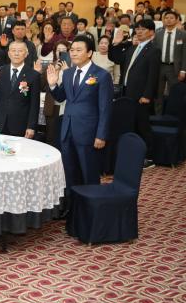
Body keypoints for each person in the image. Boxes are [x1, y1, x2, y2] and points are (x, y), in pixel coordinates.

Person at [47, 35, 114, 190]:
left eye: (78, 50)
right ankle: (73, 209)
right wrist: (52, 85)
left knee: (88, 173)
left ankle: (91, 210)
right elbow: (61, 96)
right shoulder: (69, 73)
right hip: (68, 129)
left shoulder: (101, 75)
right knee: (69, 173)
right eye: (72, 50)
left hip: (88, 133)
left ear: (89, 53)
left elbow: (105, 108)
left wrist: (101, 135)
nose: (74, 53)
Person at [109, 19, 161, 164]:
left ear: (151, 32)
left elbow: (153, 75)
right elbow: (116, 58)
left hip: (141, 95)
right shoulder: (132, 47)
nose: (139, 31)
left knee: (142, 125)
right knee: (129, 124)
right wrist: (116, 43)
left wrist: (147, 95)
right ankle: (133, 154)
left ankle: (149, 157)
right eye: (137, 29)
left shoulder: (154, 50)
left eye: (143, 29)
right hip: (126, 92)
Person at [0, 41, 40, 137]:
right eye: (13, 50)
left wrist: (31, 126)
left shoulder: (33, 75)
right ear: (8, 53)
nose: (16, 53)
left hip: (20, 125)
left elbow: (34, 104)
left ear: (26, 54)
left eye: (20, 51)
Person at [153, 10, 186, 114]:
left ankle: (172, 116)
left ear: (177, 20)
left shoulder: (183, 35)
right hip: (159, 67)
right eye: (166, 18)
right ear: (163, 20)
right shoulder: (158, 34)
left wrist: (183, 70)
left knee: (174, 93)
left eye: (172, 18)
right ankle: (157, 116)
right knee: (158, 93)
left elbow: (185, 54)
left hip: (174, 68)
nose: (169, 20)